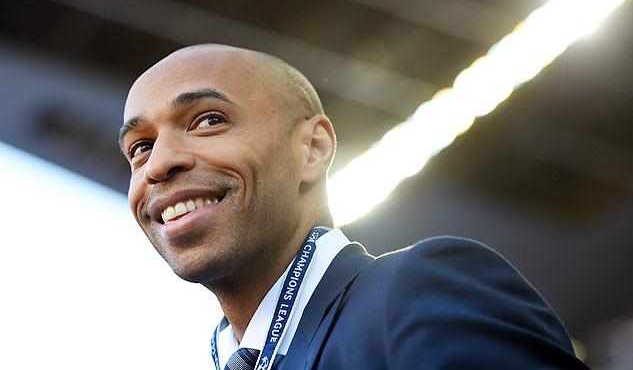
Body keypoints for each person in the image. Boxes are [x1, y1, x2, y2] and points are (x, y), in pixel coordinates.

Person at [120, 44, 588, 369]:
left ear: (313, 148)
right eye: (139, 147)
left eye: (208, 120)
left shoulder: (415, 292)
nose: (158, 163)